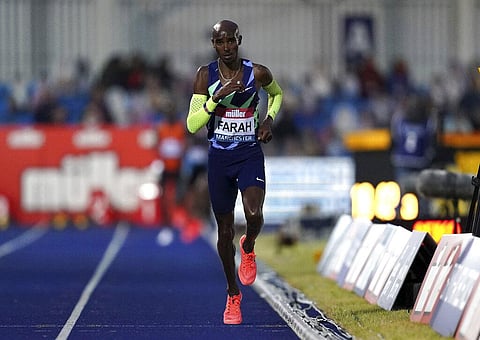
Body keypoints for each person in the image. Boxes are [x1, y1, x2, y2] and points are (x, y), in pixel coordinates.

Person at [186, 19, 283, 325]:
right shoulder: (205, 76)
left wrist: (268, 120)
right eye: (220, 42)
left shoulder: (258, 73)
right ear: (214, 45)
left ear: (239, 40)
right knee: (224, 231)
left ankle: (249, 246)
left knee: (254, 216)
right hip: (219, 160)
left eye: (231, 41)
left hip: (249, 154)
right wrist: (218, 96)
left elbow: (277, 95)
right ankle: (233, 294)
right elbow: (192, 125)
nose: (226, 47)